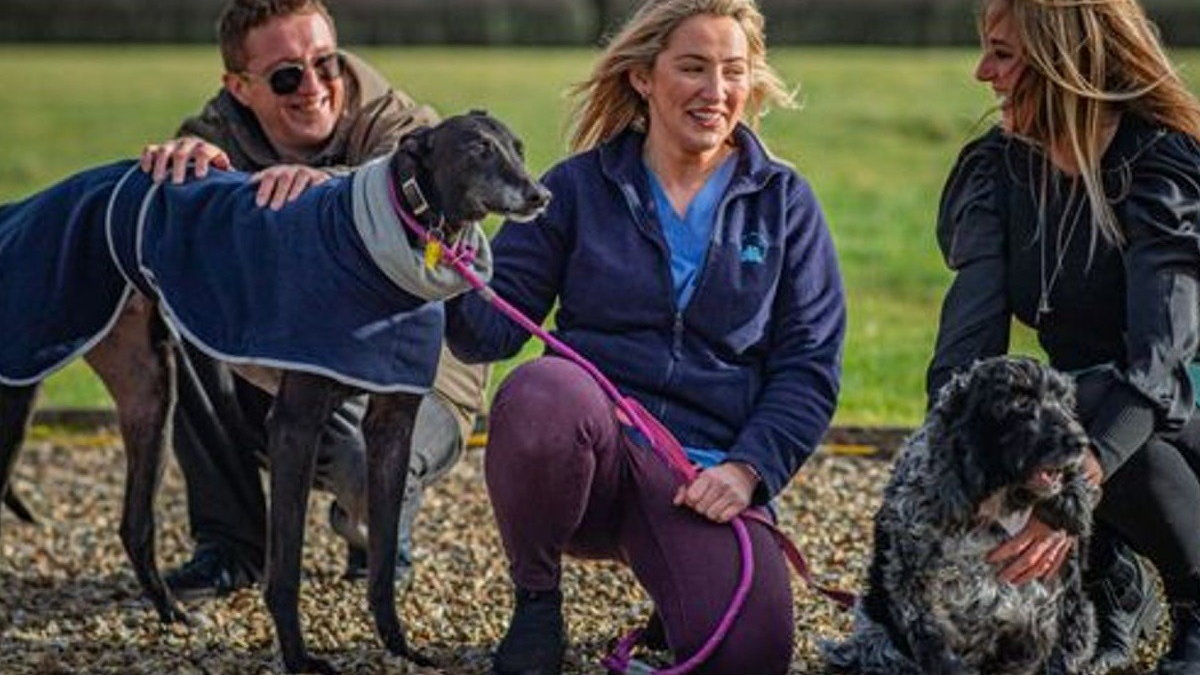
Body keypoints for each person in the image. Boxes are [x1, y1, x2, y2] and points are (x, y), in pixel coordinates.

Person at [443, 1, 845, 674]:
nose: (715, 92)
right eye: (692, 67)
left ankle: (681, 588)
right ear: (644, 78)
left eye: (733, 71)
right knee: (543, 391)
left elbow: (809, 366)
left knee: (749, 656)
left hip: (703, 476)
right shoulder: (574, 188)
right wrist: (448, 234)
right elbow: (489, 328)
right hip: (592, 458)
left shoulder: (785, 203)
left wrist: (746, 470)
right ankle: (537, 604)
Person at [138, 0, 488, 599]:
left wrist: (327, 191)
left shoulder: (405, 126)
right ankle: (230, 544)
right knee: (181, 297)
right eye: (285, 76)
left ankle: (375, 527)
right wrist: (176, 177)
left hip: (422, 367)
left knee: (374, 466)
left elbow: (425, 201)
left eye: (326, 62)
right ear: (239, 88)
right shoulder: (212, 142)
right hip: (290, 366)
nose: (314, 86)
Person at [926, 1, 1200, 673]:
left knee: (1091, 405)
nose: (981, 72)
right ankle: (1111, 579)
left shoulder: (1159, 166)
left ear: (1065, 63)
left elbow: (1160, 367)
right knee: (1015, 407)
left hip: (1178, 410)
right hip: (1097, 413)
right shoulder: (997, 170)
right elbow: (966, 352)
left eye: (1004, 54)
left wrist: (1078, 479)